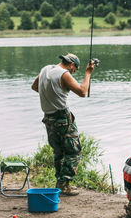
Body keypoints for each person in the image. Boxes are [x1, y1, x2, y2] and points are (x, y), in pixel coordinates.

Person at [31, 53, 95, 196]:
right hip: (62, 117)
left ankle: (60, 184)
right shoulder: (64, 74)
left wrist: (52, 95)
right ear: (72, 64)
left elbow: (35, 86)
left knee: (58, 152)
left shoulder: (45, 69)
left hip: (48, 118)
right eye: (75, 70)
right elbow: (83, 92)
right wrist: (88, 73)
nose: (73, 73)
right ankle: (64, 183)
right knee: (74, 151)